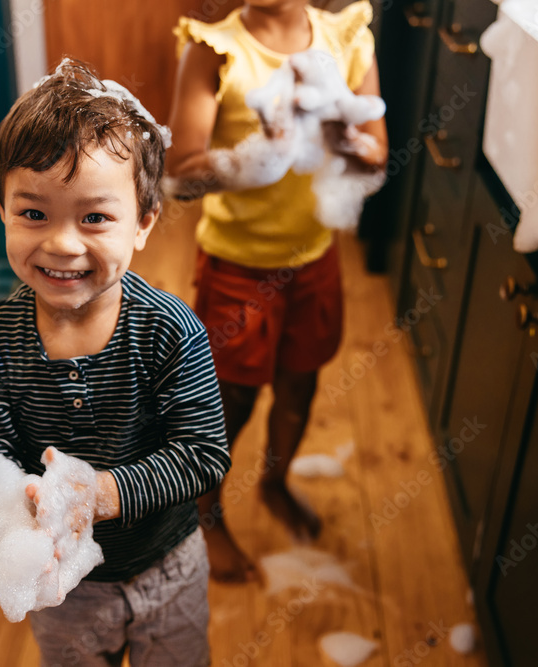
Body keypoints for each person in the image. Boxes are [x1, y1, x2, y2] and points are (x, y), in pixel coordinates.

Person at [0, 59, 231, 667]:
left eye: (95, 217)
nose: (62, 243)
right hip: (64, 586)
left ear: (144, 223)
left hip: (167, 568)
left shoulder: (169, 330)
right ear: (1, 209)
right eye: (34, 214)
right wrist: (13, 495)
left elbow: (205, 455)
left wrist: (104, 492)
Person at [165, 0, 389, 582]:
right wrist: (255, 156)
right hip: (238, 268)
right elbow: (181, 172)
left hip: (313, 259)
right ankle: (201, 511)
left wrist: (344, 140)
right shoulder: (214, 51)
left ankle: (274, 482)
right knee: (228, 402)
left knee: (299, 384)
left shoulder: (346, 40)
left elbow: (377, 153)